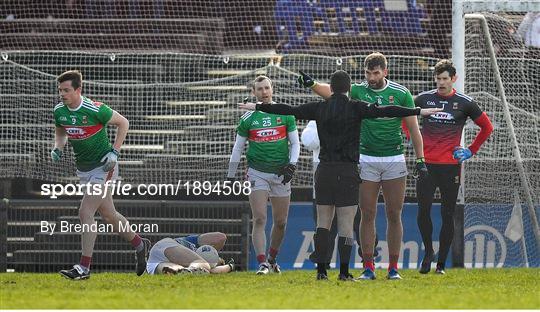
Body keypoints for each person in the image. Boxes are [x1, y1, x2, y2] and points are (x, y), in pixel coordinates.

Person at [239, 70, 441, 281]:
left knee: (323, 222)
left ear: (331, 88)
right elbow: (387, 110)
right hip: (348, 171)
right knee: (346, 224)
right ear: (349, 89)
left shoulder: (319, 108)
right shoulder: (356, 107)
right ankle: (344, 272)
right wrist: (418, 111)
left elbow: (289, 109)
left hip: (324, 170)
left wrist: (258, 106)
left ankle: (321, 271)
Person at [297, 52, 428, 280]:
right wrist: (312, 84)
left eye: (376, 73)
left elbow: (414, 130)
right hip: (366, 159)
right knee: (366, 213)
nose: (371, 77)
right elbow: (331, 93)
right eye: (368, 73)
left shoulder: (401, 93)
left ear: (385, 72)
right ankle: (368, 267)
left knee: (394, 214)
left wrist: (420, 159)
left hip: (394, 159)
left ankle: (393, 268)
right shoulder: (357, 90)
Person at [53, 70, 150, 280]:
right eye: (60, 90)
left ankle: (83, 268)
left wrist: (114, 152)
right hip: (84, 169)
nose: (62, 94)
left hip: (104, 167)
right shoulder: (59, 111)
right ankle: (140, 244)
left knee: (85, 212)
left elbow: (124, 123)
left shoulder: (95, 109)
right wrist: (58, 148)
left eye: (67, 90)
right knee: (109, 215)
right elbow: (61, 130)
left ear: (78, 90)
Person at [415, 59, 493, 274]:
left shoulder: (465, 102)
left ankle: (441, 264)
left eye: (444, 79)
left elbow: (487, 127)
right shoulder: (423, 99)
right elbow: (405, 120)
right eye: (437, 78)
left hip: (450, 167)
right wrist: (416, 142)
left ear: (453, 79)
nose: (440, 83)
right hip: (426, 165)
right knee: (423, 212)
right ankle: (428, 253)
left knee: (447, 214)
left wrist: (470, 150)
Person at [227, 75, 300, 275]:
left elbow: (295, 143)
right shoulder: (248, 118)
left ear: (272, 89)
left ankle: (272, 259)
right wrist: (230, 176)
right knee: (259, 218)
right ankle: (262, 263)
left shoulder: (285, 114)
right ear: (254, 93)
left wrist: (292, 166)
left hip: (281, 174)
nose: (264, 92)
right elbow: (238, 148)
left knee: (281, 222)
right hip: (257, 173)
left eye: (267, 88)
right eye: (260, 89)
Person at [301, 121, 379, 268]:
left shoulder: (355, 118)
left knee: (357, 224)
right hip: (325, 184)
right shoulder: (316, 121)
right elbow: (308, 142)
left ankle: (368, 258)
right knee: (324, 227)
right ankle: (322, 263)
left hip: (351, 183)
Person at [146, 232, 235, 275]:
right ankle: (191, 270)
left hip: (154, 262)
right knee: (202, 264)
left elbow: (213, 271)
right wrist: (230, 267)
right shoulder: (193, 245)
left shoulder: (202, 268)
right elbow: (220, 237)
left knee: (174, 269)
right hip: (167, 246)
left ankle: (177, 271)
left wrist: (229, 266)